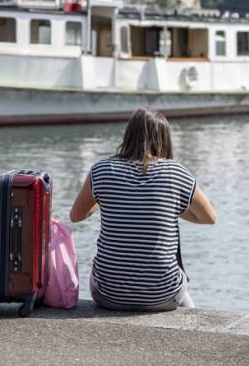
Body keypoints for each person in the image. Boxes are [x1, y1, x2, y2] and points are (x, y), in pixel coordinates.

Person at [70, 108, 217, 311]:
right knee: (179, 281)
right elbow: (209, 217)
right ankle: (194, 319)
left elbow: (76, 215)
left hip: (108, 295)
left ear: (128, 135)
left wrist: (105, 199)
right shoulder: (175, 171)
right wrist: (169, 205)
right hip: (163, 295)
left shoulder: (101, 170)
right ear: (164, 140)